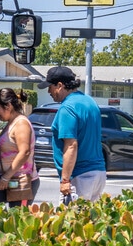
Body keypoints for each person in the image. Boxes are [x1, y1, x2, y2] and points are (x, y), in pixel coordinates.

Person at [44, 65, 106, 203]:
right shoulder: (89, 101)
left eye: (50, 86)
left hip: (80, 175)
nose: (49, 91)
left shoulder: (67, 107)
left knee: (69, 222)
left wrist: (65, 180)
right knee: (90, 222)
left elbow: (71, 145)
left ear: (59, 85)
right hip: (98, 172)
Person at [0, 87, 37, 208]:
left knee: (15, 218)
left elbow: (24, 152)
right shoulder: (11, 122)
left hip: (20, 182)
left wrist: (6, 177)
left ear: (8, 106)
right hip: (8, 180)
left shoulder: (21, 124)